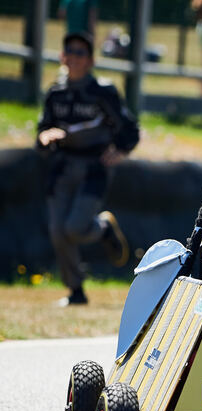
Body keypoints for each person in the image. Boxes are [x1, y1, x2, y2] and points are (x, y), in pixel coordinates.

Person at [36, 32, 139, 306]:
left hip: (94, 168)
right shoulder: (55, 93)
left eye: (80, 52)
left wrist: (119, 150)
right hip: (61, 168)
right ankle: (76, 292)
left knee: (74, 227)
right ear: (62, 57)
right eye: (69, 51)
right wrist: (45, 138)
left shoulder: (102, 92)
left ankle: (103, 227)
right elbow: (43, 130)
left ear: (91, 60)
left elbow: (129, 129)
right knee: (58, 231)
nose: (74, 57)